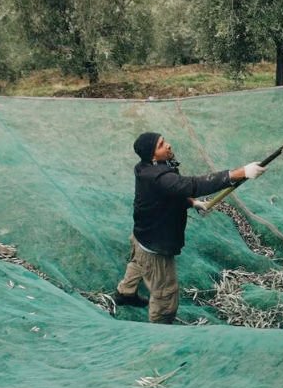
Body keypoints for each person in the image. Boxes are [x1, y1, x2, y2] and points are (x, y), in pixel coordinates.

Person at [114, 131, 266, 324]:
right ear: (152, 155)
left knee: (138, 262)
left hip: (141, 235)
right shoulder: (159, 177)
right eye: (161, 145)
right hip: (155, 244)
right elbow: (192, 184)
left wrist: (192, 202)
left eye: (164, 141)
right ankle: (160, 332)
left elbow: (169, 193)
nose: (168, 145)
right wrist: (239, 173)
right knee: (166, 293)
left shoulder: (145, 167)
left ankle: (124, 294)